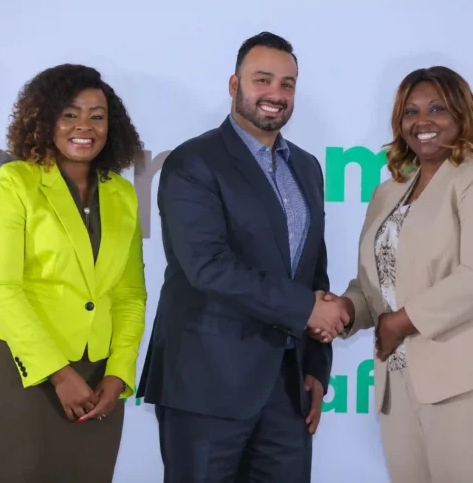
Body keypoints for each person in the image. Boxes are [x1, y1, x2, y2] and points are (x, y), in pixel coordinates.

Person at [137, 32, 348, 482]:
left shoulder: (306, 167)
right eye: (263, 80)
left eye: (287, 84)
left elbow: (314, 269)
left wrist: (315, 365)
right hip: (206, 385)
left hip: (287, 390)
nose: (276, 94)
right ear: (234, 85)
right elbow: (207, 267)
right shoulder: (193, 162)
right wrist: (306, 309)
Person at [317, 66, 473, 482]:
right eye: (411, 112)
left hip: (472, 374)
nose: (423, 122)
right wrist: (346, 308)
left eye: (437, 109)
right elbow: (378, 283)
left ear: (461, 115)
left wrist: (400, 322)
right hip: (399, 379)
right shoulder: (390, 189)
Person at [0, 64, 147, 482]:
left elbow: (130, 294)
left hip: (98, 384)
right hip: (17, 373)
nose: (85, 126)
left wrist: (119, 374)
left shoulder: (122, 193)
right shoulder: (16, 183)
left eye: (97, 116)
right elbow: (1, 288)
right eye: (70, 114)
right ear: (45, 120)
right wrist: (60, 375)